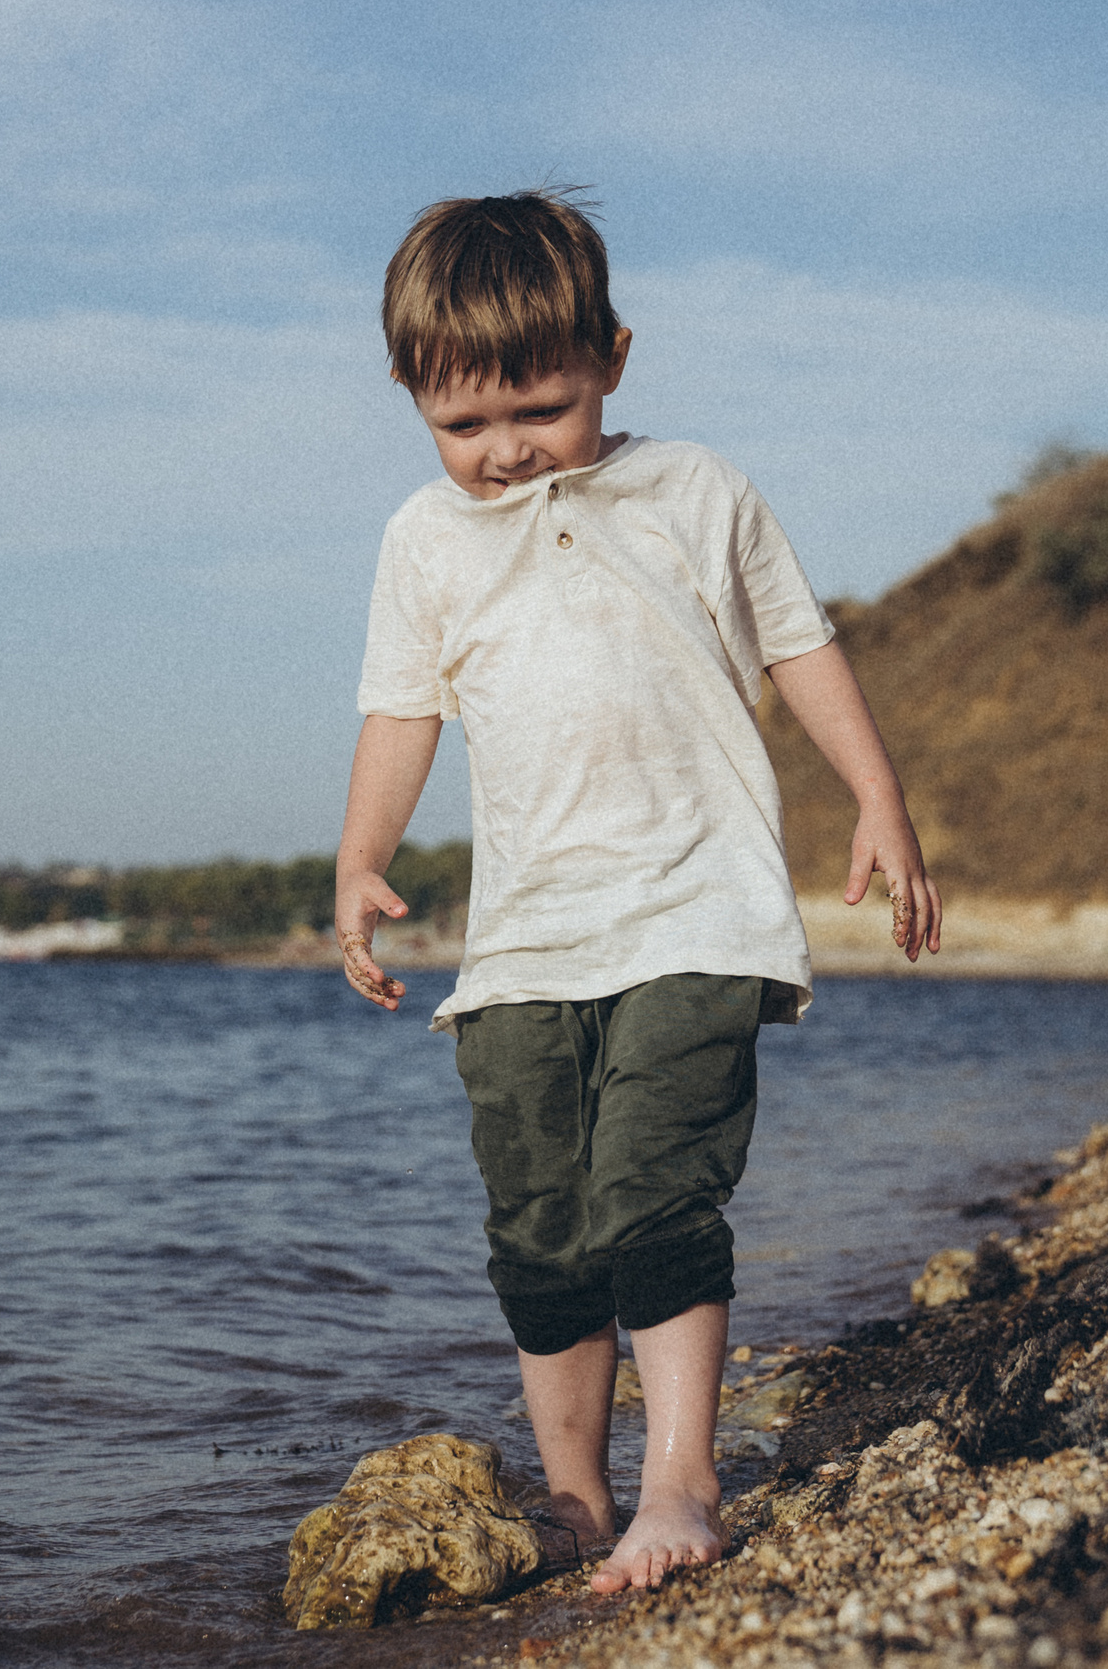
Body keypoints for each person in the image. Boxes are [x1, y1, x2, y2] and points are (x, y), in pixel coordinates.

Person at [334, 189, 940, 1594]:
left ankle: (680, 1482)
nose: (503, 452)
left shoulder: (696, 493)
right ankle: (572, 1496)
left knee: (654, 1194)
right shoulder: (423, 540)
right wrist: (362, 857)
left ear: (611, 354)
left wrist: (880, 798)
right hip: (528, 945)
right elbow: (398, 712)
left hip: (698, 908)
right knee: (540, 1224)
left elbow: (800, 647)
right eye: (462, 426)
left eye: (537, 410)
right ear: (412, 398)